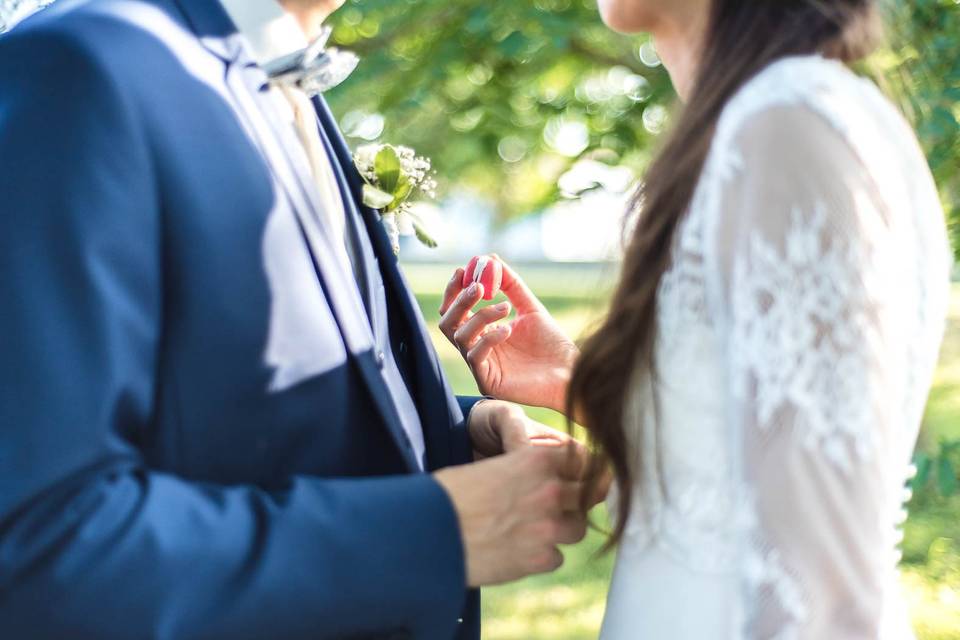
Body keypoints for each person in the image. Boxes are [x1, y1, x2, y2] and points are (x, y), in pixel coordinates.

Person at [0, 1, 596, 638]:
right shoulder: (83, 68)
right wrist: (434, 532)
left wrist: (457, 430)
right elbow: (41, 543)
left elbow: (221, 402)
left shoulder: (287, 77)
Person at [440, 0, 953, 637]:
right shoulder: (766, 121)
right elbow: (740, 471)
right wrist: (580, 385)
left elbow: (818, 584)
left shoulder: (787, 126)